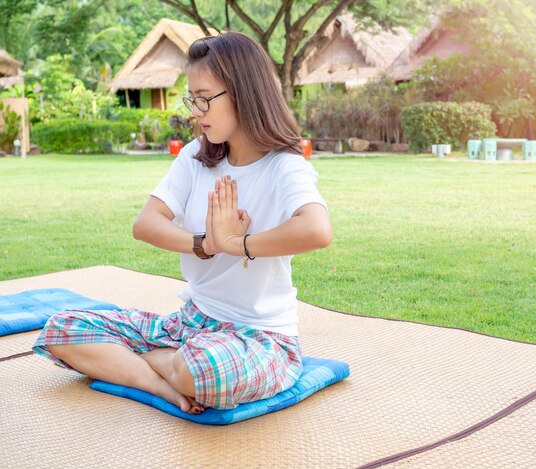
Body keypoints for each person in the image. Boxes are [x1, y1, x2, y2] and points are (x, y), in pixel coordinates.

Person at [32, 32, 332, 414]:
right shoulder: (196, 156)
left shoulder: (283, 165)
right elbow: (146, 223)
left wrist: (237, 244)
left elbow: (316, 230)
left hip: (260, 339)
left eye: (205, 98)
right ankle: (161, 383)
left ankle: (154, 367)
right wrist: (204, 243)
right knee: (62, 329)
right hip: (188, 325)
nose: (196, 110)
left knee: (202, 370)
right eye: (194, 99)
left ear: (244, 91)